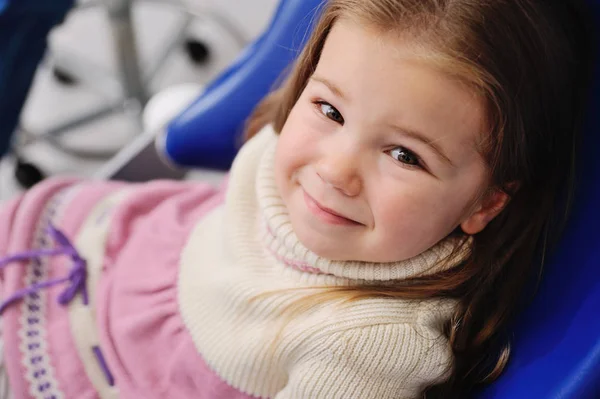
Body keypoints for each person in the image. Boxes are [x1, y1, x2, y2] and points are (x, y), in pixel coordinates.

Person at [0, 0, 592, 398]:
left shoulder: (364, 348)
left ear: (484, 205)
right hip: (110, 255)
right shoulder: (304, 143)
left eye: (404, 155)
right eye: (329, 109)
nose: (334, 170)